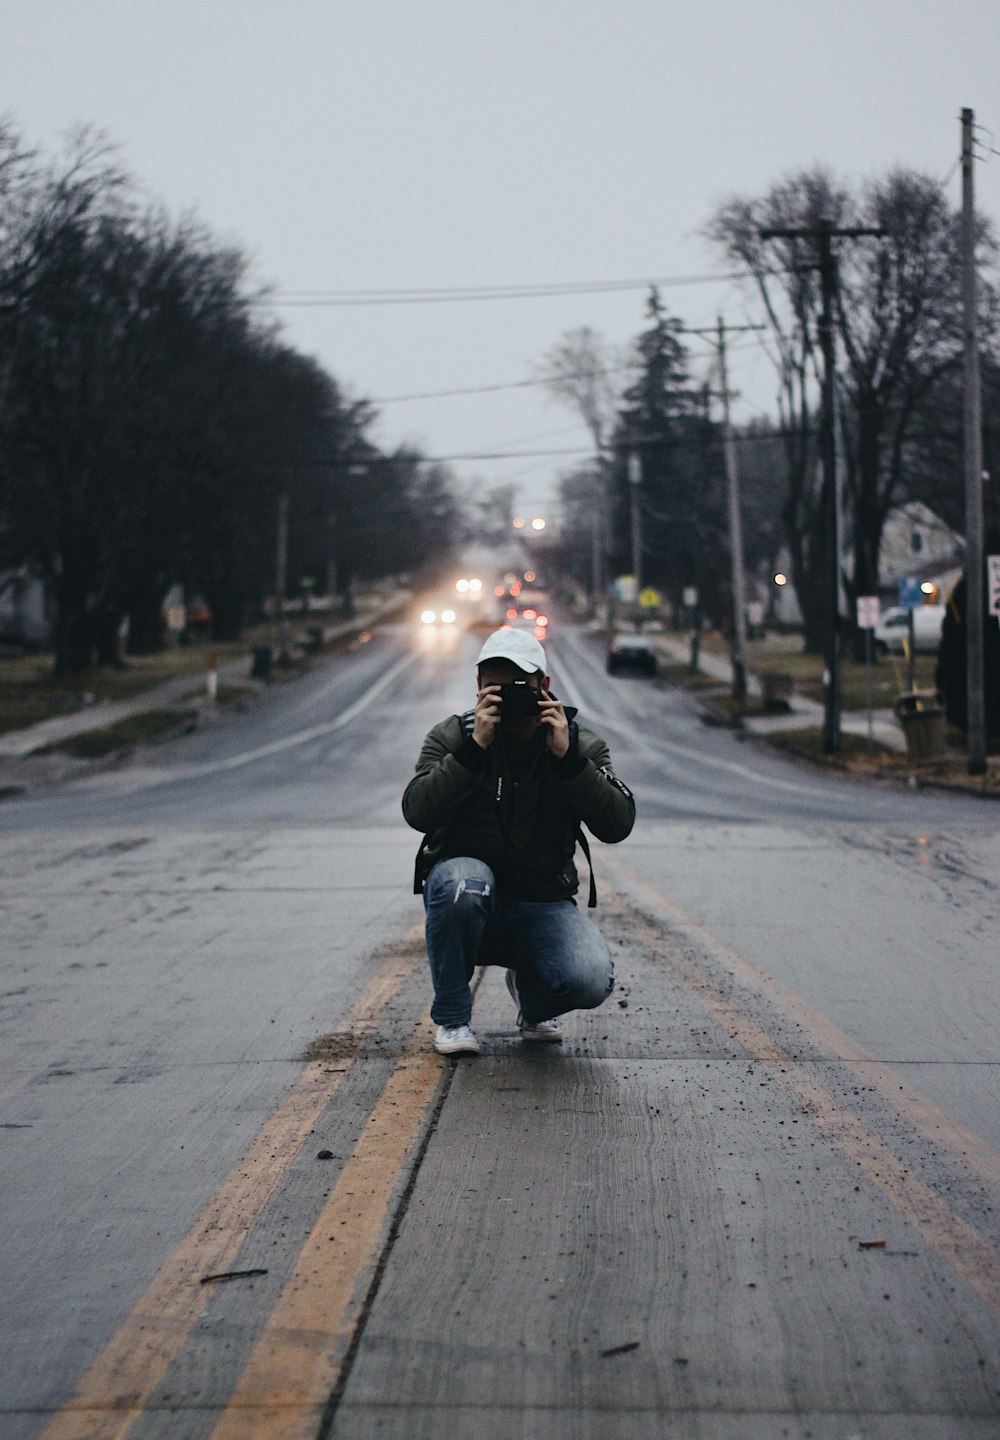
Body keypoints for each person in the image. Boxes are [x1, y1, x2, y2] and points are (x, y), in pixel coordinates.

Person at [402, 625, 636, 1055]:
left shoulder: (578, 743)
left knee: (589, 977)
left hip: (542, 901)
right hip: (469, 896)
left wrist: (569, 763)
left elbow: (617, 824)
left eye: (518, 686)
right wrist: (473, 750)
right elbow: (417, 811)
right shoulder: (453, 737)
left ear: (543, 686)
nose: (507, 697)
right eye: (494, 686)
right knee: (462, 882)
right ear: (477, 688)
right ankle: (454, 1019)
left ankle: (533, 996)